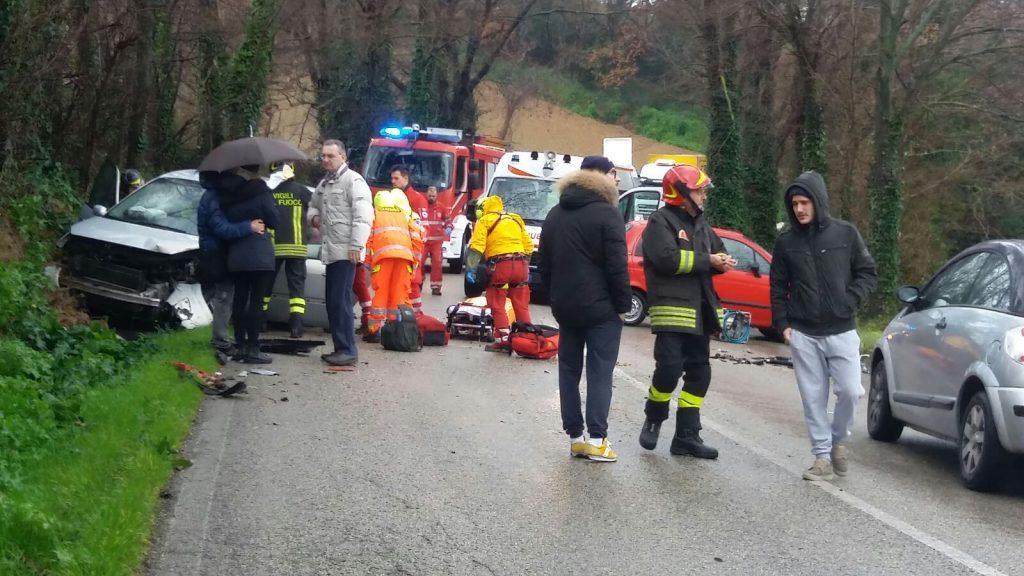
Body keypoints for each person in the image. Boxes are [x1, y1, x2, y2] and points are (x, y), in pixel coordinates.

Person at [770, 170, 878, 481]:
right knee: (813, 398)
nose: (799, 209)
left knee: (851, 390)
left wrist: (850, 300)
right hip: (804, 333)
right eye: (794, 204)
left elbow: (867, 273)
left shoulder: (846, 235)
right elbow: (777, 286)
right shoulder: (786, 243)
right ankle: (821, 458)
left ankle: (838, 441)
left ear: (818, 201)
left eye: (804, 202)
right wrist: (783, 324)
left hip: (842, 330)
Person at [538, 155, 631, 462]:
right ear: (602, 176)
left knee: (568, 369)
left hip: (566, 307)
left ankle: (576, 437)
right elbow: (617, 267)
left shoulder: (555, 213)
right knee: (600, 371)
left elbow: (544, 265)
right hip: (601, 309)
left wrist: (555, 299)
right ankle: (597, 439)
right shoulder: (608, 215)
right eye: (613, 174)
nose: (616, 180)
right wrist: (622, 306)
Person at [638, 164, 735, 459]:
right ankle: (654, 418)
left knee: (700, 373)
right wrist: (708, 260)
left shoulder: (703, 226)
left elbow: (718, 253)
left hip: (701, 309)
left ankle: (686, 436)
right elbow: (667, 260)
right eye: (699, 190)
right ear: (681, 193)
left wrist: (723, 261)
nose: (704, 195)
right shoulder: (660, 222)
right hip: (672, 309)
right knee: (668, 369)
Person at [310, 139, 373, 367]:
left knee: (341, 301)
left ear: (343, 157)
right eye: (323, 156)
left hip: (346, 252)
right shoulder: (325, 183)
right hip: (331, 249)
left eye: (330, 156)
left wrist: (356, 245)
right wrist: (314, 218)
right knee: (333, 301)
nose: (325, 160)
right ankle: (341, 348)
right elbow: (313, 203)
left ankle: (347, 350)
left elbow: (363, 216)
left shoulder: (353, 181)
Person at [197, 171, 265, 363]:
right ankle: (220, 341)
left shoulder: (214, 195)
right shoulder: (212, 199)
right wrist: (248, 227)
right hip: (216, 254)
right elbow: (222, 228)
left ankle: (222, 337)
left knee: (224, 297)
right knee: (224, 298)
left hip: (217, 252)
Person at [219, 165, 280, 364]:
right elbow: (274, 220)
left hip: (237, 254)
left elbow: (226, 221)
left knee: (239, 300)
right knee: (256, 301)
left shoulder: (229, 195)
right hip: (260, 256)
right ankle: (253, 347)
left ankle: (240, 344)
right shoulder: (262, 192)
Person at [466, 195, 533, 352]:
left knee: (497, 303)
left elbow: (477, 247)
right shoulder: (515, 218)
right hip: (521, 264)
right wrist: (524, 267)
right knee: (521, 304)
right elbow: (528, 247)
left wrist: (471, 269)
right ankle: (527, 338)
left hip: (501, 265)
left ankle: (503, 340)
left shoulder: (485, 221)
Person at [363, 190, 424, 341]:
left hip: (383, 259)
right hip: (404, 259)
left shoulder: (375, 215)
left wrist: (367, 264)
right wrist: (414, 263)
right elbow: (416, 239)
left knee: (381, 293)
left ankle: (374, 331)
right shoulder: (403, 214)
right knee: (400, 294)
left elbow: (369, 241)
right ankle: (398, 329)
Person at [264, 162, 312, 338]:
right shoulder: (301, 191)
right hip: (297, 248)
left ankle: (261, 321)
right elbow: (315, 211)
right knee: (296, 289)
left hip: (273, 247)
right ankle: (296, 326)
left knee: (266, 286)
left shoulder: (269, 192)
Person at [390, 165, 428, 314]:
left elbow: (424, 228)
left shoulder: (417, 199)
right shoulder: (392, 197)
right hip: (395, 248)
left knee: (412, 283)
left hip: (411, 249)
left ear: (406, 178)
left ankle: (416, 318)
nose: (393, 181)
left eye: (396, 178)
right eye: (392, 178)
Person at [421, 185, 451, 296]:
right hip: (423, 241)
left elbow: (449, 222)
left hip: (437, 243)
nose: (431, 197)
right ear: (426, 195)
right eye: (430, 195)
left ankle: (436, 287)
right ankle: (419, 282)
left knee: (437, 264)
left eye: (433, 195)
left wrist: (448, 230)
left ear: (437, 195)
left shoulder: (442, 208)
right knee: (419, 263)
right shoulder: (422, 207)